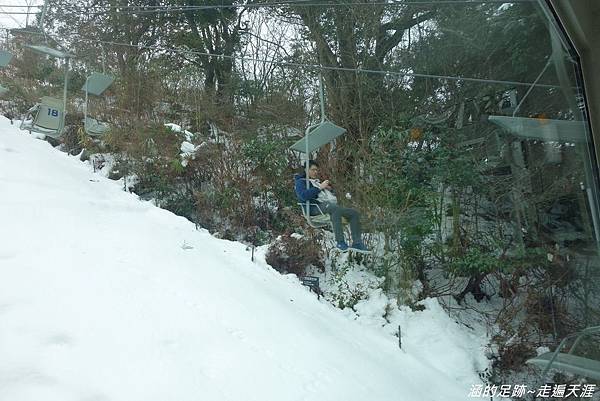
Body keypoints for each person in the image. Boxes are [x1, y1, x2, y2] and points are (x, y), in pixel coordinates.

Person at [294, 160, 370, 253]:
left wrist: (329, 189)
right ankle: (340, 242)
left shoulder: (316, 182)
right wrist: (319, 188)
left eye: (317, 170)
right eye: (313, 170)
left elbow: (330, 195)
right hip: (314, 208)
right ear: (306, 170)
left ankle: (357, 243)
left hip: (327, 205)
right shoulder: (300, 182)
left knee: (353, 213)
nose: (315, 172)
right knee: (334, 208)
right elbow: (303, 196)